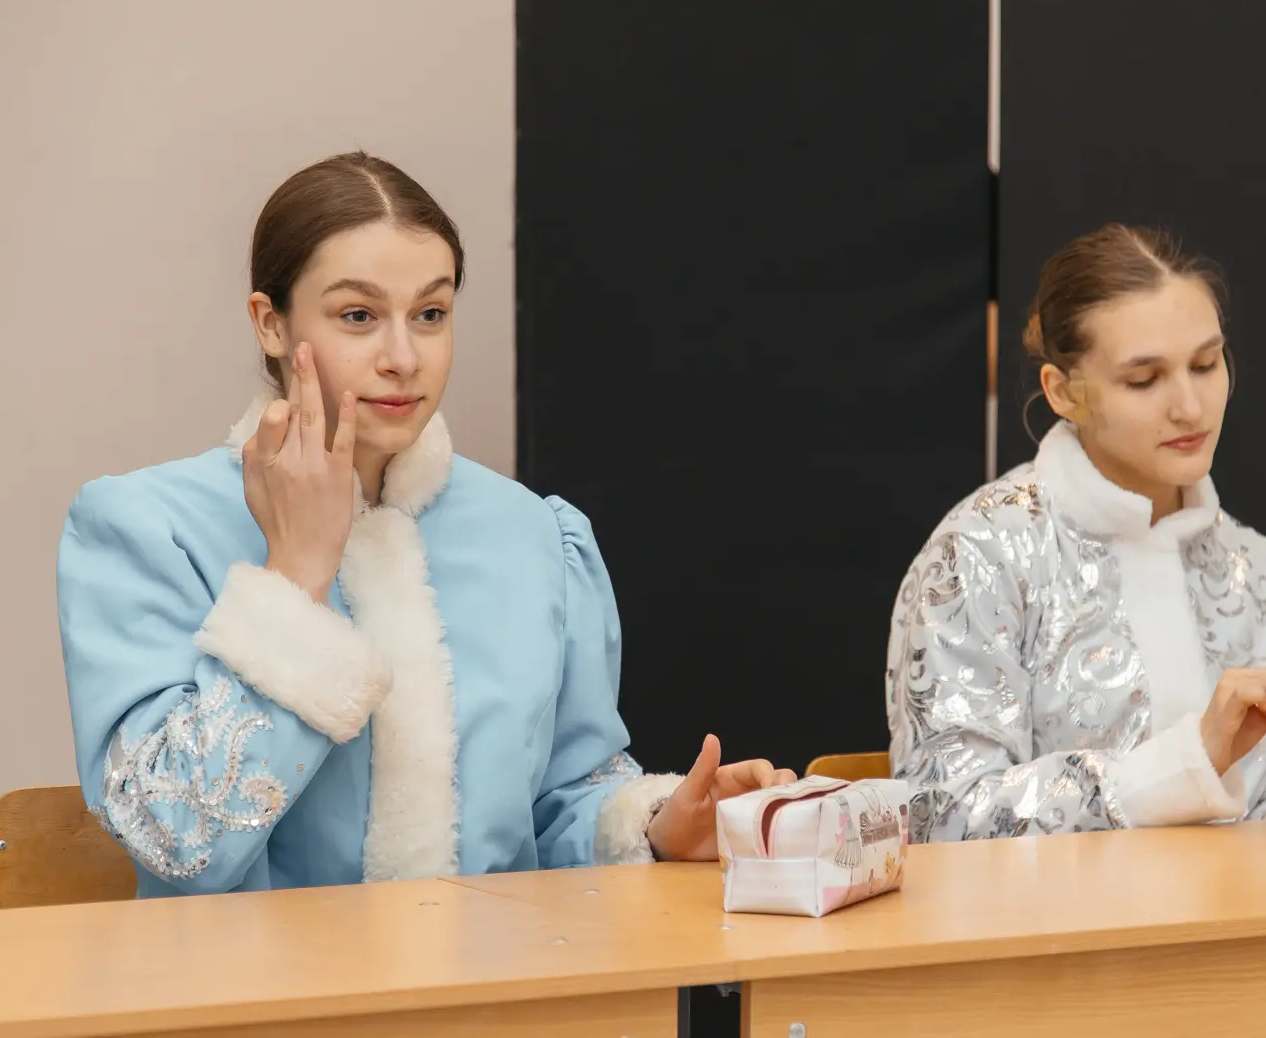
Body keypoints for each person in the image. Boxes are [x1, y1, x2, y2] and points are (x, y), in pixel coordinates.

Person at [58, 152, 795, 897]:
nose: (404, 357)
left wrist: (657, 825)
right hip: (257, 976)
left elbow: (561, 802)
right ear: (271, 323)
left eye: (430, 314)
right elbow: (175, 838)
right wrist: (296, 577)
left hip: (497, 973)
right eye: (358, 316)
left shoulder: (531, 534)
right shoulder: (150, 530)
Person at [885, 223, 1266, 843]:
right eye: (1144, 379)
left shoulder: (1262, 572)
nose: (1190, 407)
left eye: (1206, 364)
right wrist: (1184, 761)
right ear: (1063, 392)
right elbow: (942, 815)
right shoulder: (982, 553)